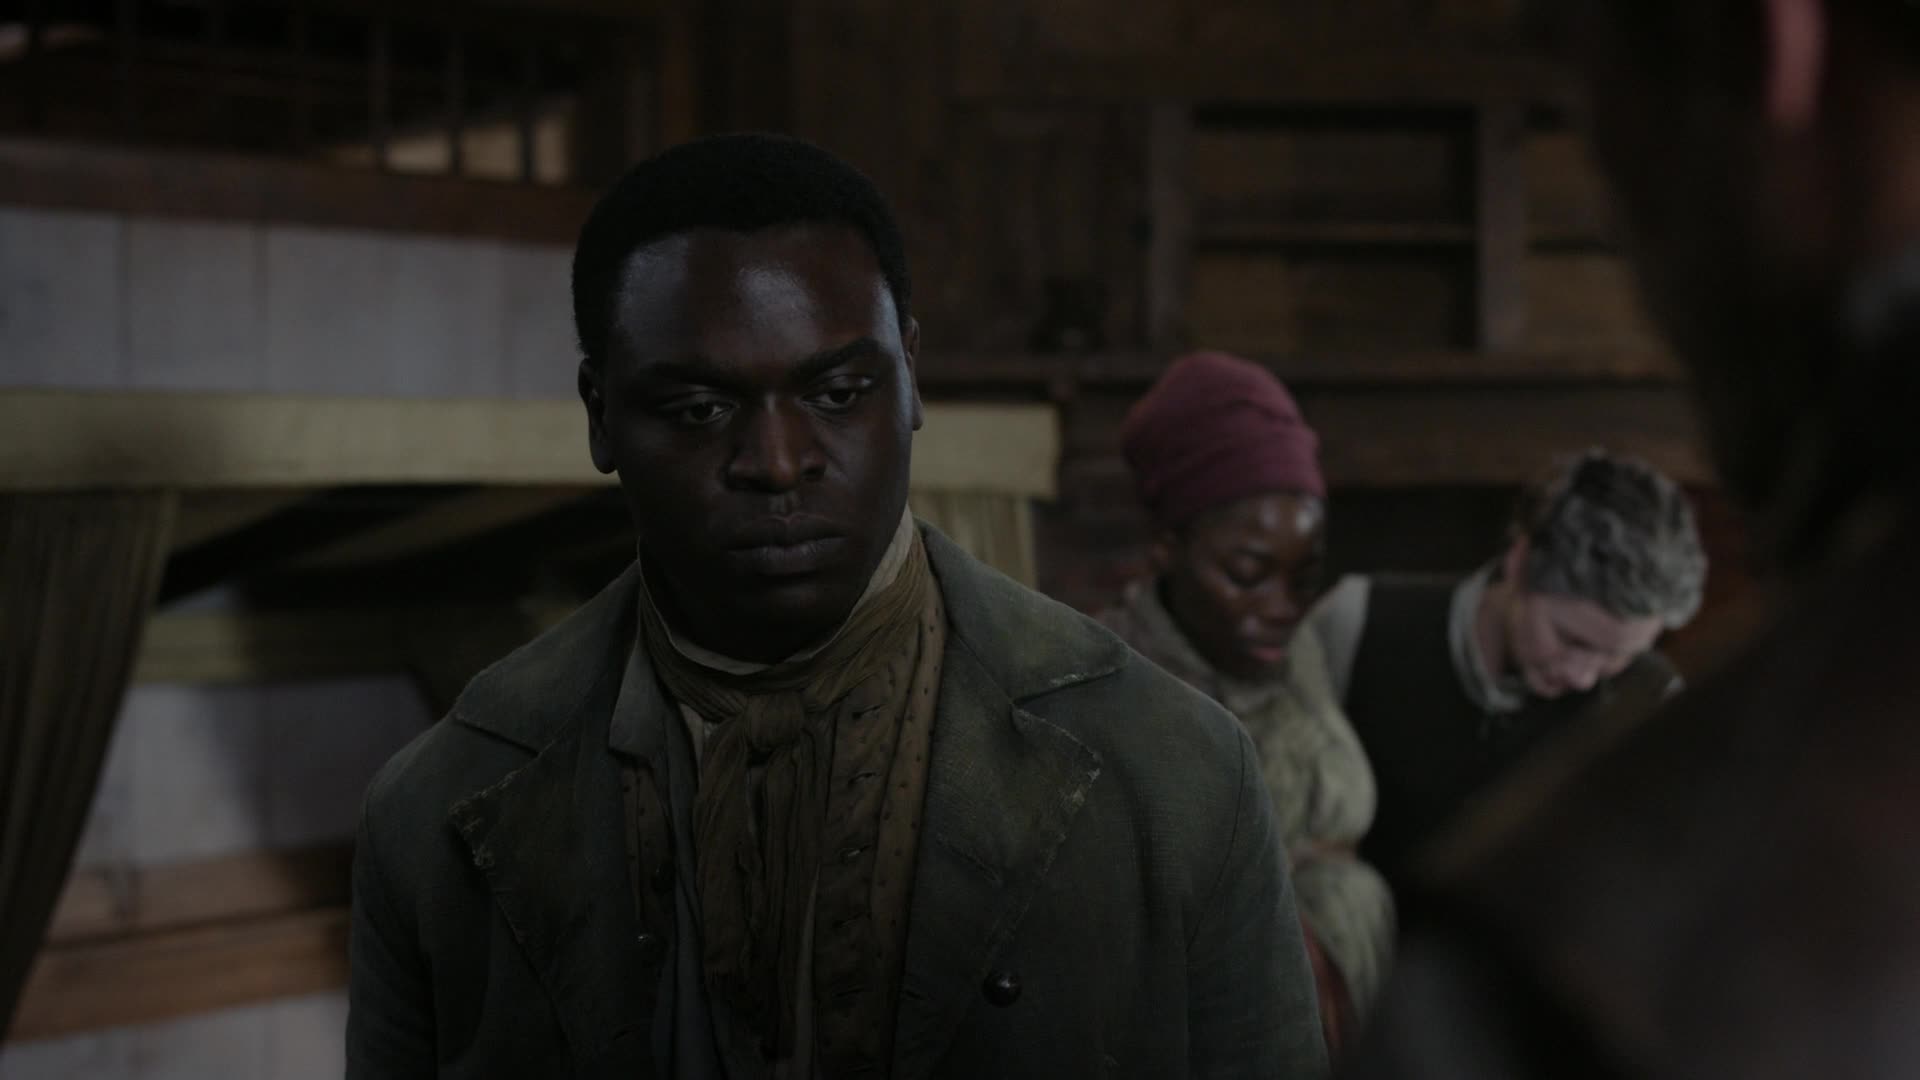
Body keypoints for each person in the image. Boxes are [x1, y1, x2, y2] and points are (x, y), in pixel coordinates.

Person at [345, 134, 1328, 1079]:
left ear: (911, 379)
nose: (777, 463)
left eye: (839, 392)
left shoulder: (1176, 774)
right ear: (601, 415)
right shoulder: (438, 813)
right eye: (699, 410)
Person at [1345, 2, 1920, 1076]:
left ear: (1761, 47)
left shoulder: (1550, 987)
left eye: (1592, 91)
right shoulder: (1356, 631)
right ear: (1518, 563)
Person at [1095, 351, 1392, 1054]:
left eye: (1305, 576)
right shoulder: (1109, 684)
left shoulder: (1298, 655)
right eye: (1247, 572)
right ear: (1167, 546)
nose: (1283, 607)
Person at [1292, 449, 1706, 895]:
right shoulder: (1358, 623)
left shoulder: (1653, 698)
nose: (1584, 677)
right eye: (1571, 640)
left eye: (1616, 656)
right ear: (1521, 561)